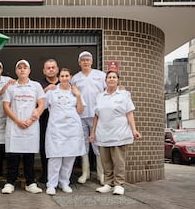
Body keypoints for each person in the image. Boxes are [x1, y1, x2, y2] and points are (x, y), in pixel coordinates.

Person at [89, 70, 141, 195]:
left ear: (117, 80)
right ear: (105, 80)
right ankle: (108, 183)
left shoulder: (124, 95)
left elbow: (129, 113)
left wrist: (134, 130)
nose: (111, 79)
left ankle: (119, 184)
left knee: (118, 161)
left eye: (114, 77)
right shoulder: (100, 96)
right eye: (109, 77)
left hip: (119, 133)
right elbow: (96, 115)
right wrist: (93, 132)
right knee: (105, 161)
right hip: (103, 133)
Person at [1, 59, 45, 194]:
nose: (22, 70)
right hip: (15, 126)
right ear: (16, 71)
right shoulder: (11, 87)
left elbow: (41, 104)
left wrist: (32, 119)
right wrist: (18, 120)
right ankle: (10, 183)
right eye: (19, 68)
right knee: (13, 156)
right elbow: (6, 106)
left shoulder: (36, 86)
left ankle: (30, 183)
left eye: (24, 67)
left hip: (30, 126)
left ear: (29, 71)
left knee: (29, 156)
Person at [45, 68, 86, 195]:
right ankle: (51, 184)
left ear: (70, 77)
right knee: (55, 158)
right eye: (62, 76)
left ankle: (64, 182)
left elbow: (80, 111)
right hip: (56, 129)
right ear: (59, 77)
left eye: (67, 75)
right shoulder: (52, 92)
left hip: (72, 129)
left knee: (69, 157)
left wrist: (78, 95)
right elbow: (41, 105)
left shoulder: (75, 92)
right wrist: (45, 90)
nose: (64, 78)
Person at [71, 51, 105, 185]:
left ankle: (101, 174)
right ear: (79, 63)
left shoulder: (100, 75)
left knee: (98, 143)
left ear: (92, 62)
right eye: (83, 60)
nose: (85, 62)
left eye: (88, 60)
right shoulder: (75, 78)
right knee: (83, 143)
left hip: (97, 115)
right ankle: (85, 172)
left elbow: (106, 92)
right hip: (81, 115)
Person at [38, 59, 59, 184]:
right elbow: (35, 101)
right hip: (44, 120)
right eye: (48, 68)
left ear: (57, 69)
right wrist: (46, 90)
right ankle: (45, 173)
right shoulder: (39, 84)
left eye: (53, 67)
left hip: (61, 122)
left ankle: (63, 175)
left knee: (61, 147)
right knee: (45, 147)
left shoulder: (64, 81)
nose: (51, 69)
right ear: (44, 71)